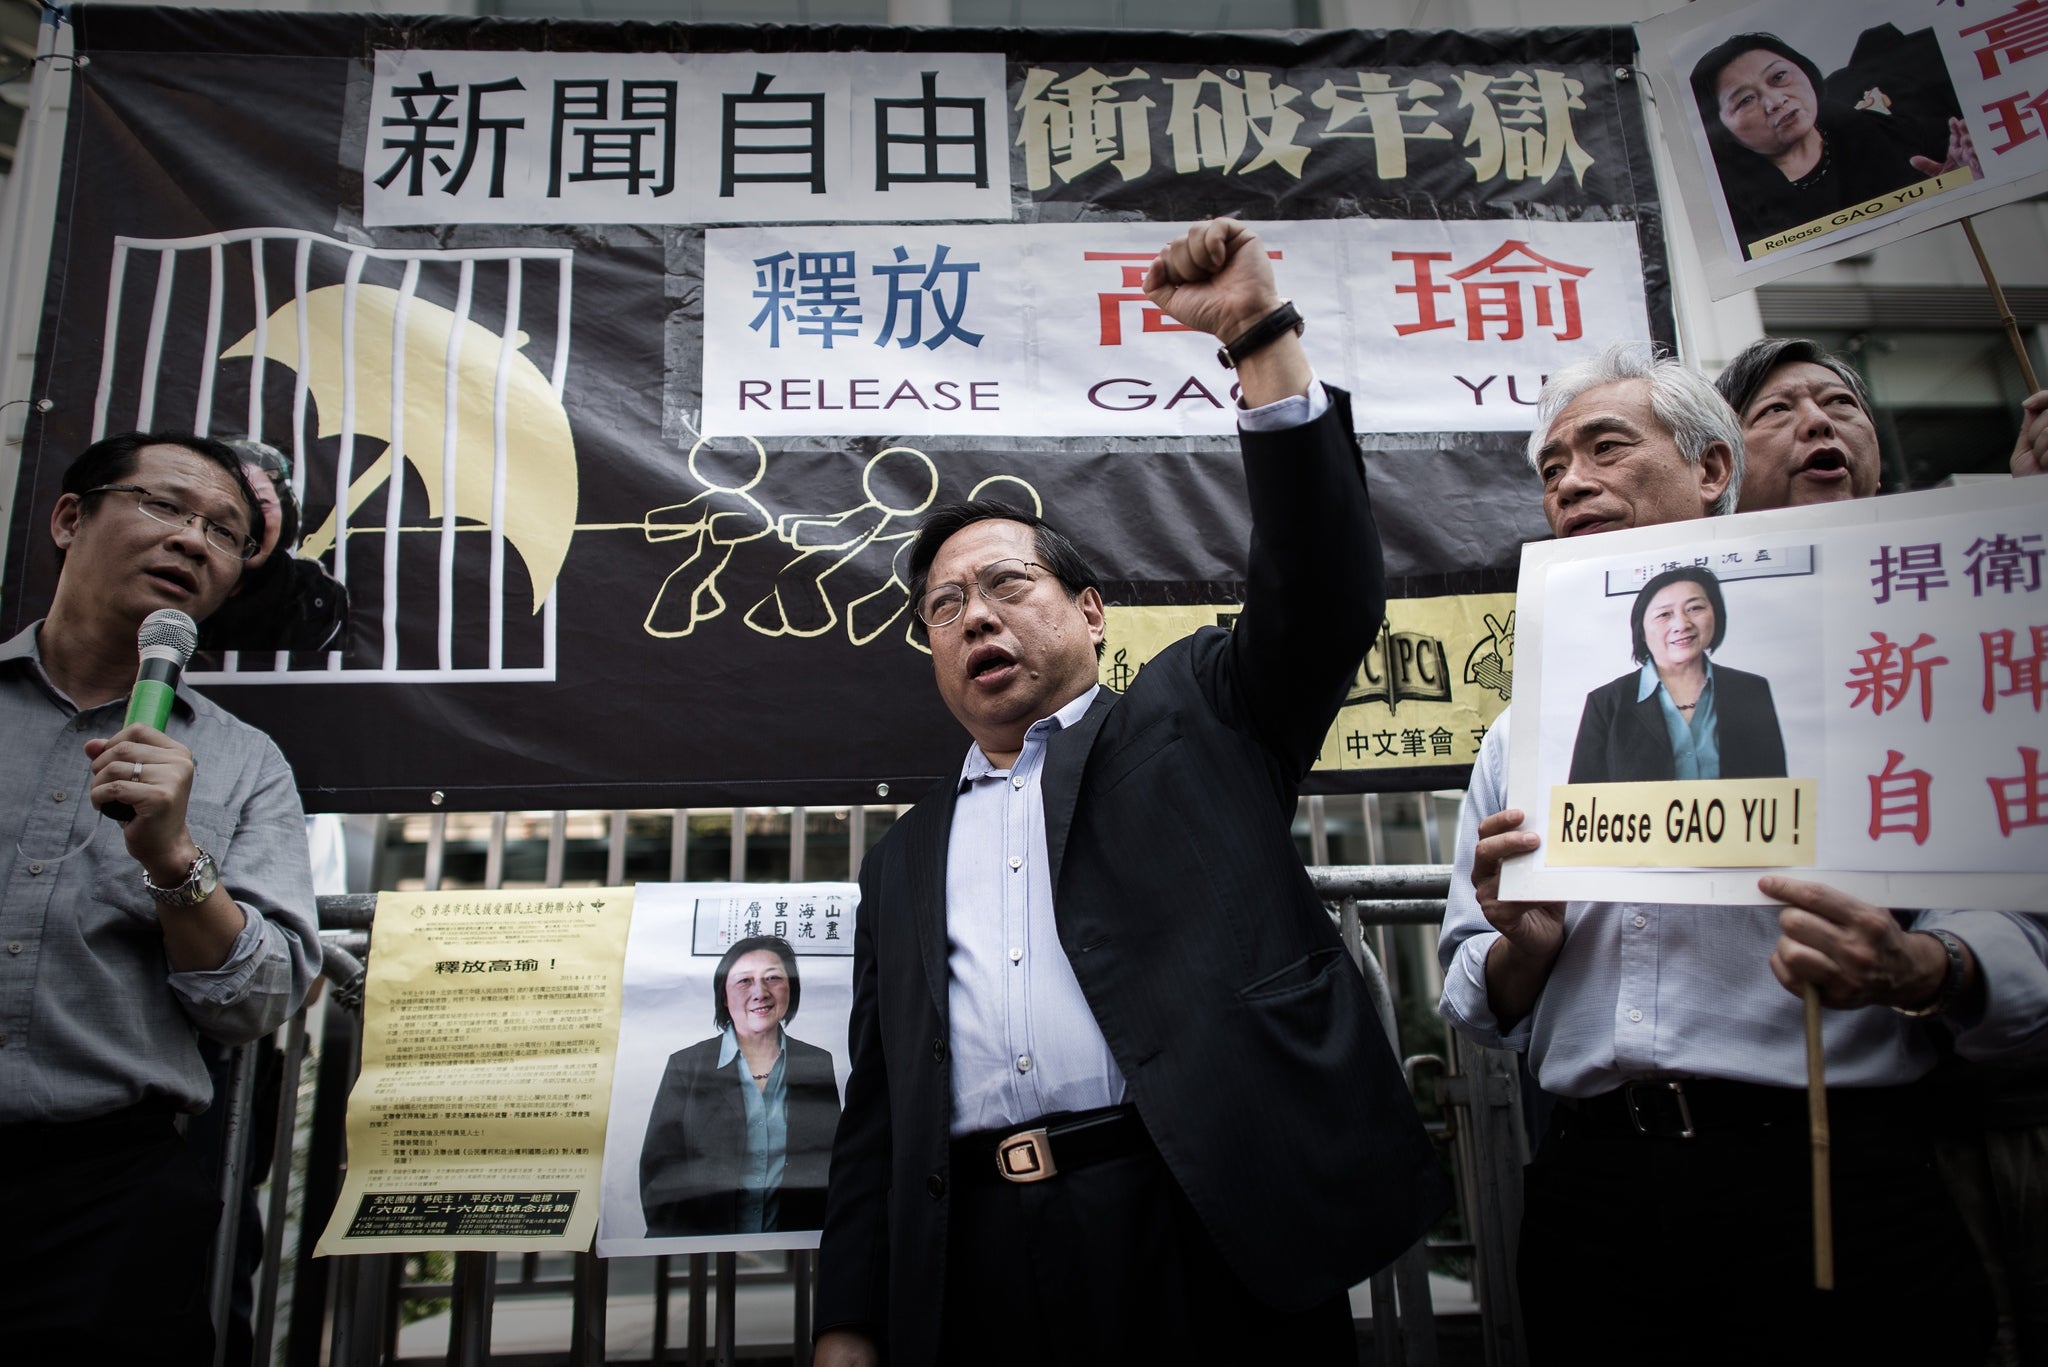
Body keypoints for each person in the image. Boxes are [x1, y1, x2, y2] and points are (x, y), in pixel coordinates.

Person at [814, 219, 1446, 1367]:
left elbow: (1318, 591)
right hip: (976, 1266)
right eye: (946, 608)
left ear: (1090, 611)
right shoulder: (903, 856)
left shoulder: (1192, 714)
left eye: (1006, 583)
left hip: (1203, 1226)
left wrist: (1259, 340)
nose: (977, 617)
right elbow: (878, 1109)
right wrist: (849, 1323)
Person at [1438, 343, 2046, 1365]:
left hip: (1827, 1166)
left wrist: (1922, 966)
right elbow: (1471, 992)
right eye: (1550, 468)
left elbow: (2017, 943)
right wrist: (1526, 946)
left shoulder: (1872, 671)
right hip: (1596, 1183)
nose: (1571, 481)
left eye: (1603, 447)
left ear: (1709, 469)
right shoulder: (1526, 729)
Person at [0, 430, 321, 1366]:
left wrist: (175, 857)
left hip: (109, 1194)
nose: (192, 540)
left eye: (224, 531)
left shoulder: (244, 763)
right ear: (71, 517)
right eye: (164, 505)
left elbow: (260, 1001)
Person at [1689, 33, 1978, 258]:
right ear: (1720, 129)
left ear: (1807, 73)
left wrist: (1954, 185)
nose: (1775, 101)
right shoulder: (1734, 218)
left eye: (1779, 77)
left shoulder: (1888, 132)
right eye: (1745, 100)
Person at [639, 935, 841, 1236]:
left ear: (791, 988)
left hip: (795, 1251)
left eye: (773, 978)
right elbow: (659, 1175)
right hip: (703, 1252)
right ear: (724, 995)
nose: (760, 992)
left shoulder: (817, 1062)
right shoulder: (686, 1066)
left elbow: (834, 1163)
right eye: (744, 981)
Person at [1567, 566, 1787, 784]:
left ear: (1716, 614)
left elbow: (1775, 795)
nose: (1682, 624)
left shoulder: (1751, 691)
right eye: (1664, 614)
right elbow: (1582, 806)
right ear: (1641, 631)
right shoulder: (1605, 704)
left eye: (1694, 608)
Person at [196, 436, 349, 654]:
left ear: (285, 515)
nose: (248, 520)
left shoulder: (317, 596)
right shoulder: (170, 587)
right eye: (229, 505)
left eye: (262, 504)